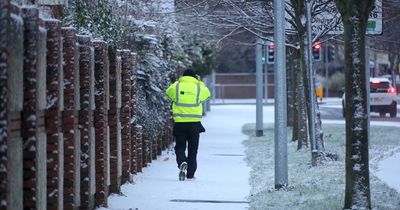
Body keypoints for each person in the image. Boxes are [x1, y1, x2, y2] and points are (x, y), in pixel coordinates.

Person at [165, 69, 211, 181]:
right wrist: (199, 82)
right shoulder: (199, 87)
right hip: (194, 124)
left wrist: (177, 82)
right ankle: (190, 174)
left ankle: (182, 161)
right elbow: (207, 95)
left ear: (183, 76)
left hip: (180, 123)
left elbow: (168, 92)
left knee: (180, 146)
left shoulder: (177, 86)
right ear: (195, 77)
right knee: (193, 149)